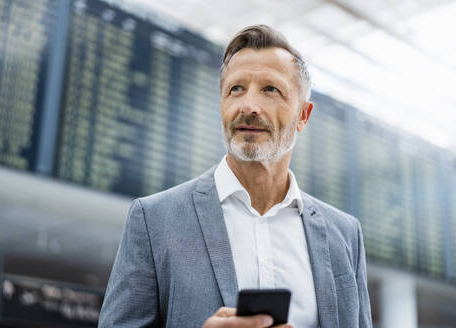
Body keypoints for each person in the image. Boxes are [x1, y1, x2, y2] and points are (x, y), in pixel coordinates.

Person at [98, 25, 372, 328]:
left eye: (270, 89)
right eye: (236, 89)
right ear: (222, 105)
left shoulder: (346, 235)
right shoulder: (154, 220)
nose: (248, 106)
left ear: (303, 115)